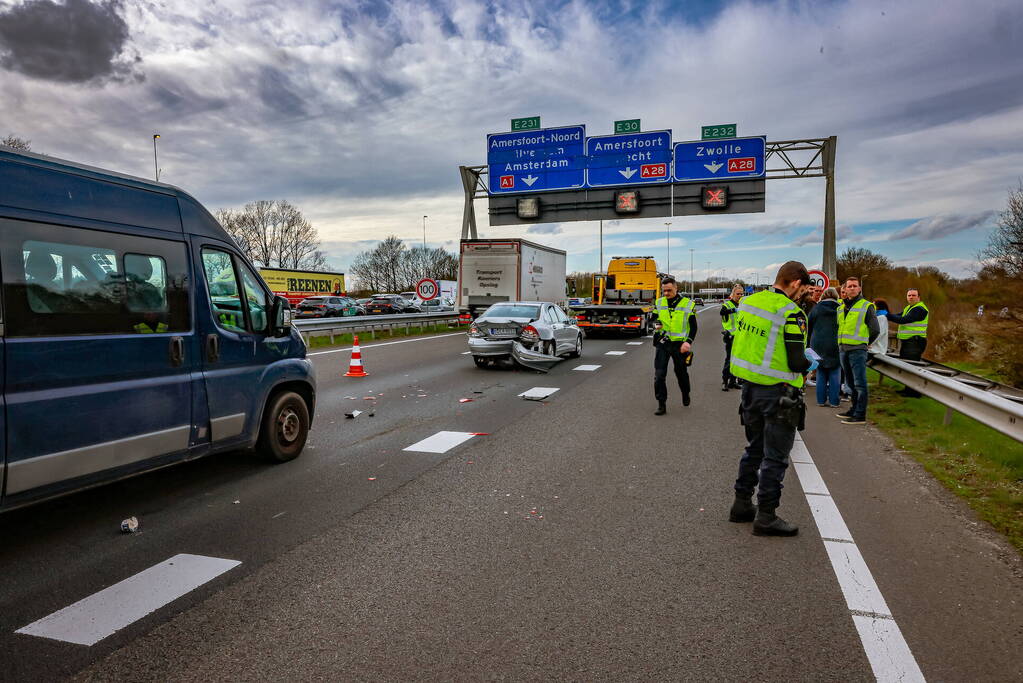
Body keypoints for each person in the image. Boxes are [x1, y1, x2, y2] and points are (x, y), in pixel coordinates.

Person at [728, 261, 813, 537]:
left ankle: (741, 504)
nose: (803, 295)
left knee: (753, 448)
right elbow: (797, 360)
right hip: (779, 394)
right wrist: (811, 362)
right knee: (775, 457)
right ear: (796, 283)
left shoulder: (749, 303)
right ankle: (766, 516)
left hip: (749, 390)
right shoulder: (791, 312)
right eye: (804, 289)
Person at [836, 277, 879, 424]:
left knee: (860, 383)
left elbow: (875, 329)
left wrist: (865, 343)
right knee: (851, 383)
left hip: (857, 350)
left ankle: (860, 415)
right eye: (849, 286)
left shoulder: (867, 306)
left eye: (855, 286)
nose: (852, 288)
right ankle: (853, 410)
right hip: (843, 349)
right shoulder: (841, 307)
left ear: (860, 289)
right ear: (845, 289)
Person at [652, 276, 697, 415]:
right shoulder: (659, 303)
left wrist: (687, 342)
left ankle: (685, 393)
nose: (666, 293)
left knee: (681, 373)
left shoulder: (688, 304)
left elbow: (694, 327)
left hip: (679, 345)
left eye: (669, 290)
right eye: (664, 291)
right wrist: (658, 328)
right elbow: (654, 320)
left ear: (676, 288)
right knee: (659, 375)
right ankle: (661, 404)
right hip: (663, 343)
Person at [885, 288, 929, 397]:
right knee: (907, 366)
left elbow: (903, 320)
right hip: (909, 342)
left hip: (915, 341)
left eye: (914, 295)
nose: (911, 297)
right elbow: (899, 316)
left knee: (912, 367)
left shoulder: (919, 309)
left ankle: (914, 392)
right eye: (909, 295)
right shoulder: (909, 308)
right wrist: (887, 315)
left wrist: (887, 315)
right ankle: (908, 390)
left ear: (919, 297)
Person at [808, 287, 842, 408]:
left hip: (817, 344)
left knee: (821, 372)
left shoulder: (816, 308)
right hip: (836, 344)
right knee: (835, 372)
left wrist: (808, 344)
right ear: (836, 296)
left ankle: (821, 401)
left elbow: (809, 326)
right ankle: (834, 401)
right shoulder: (841, 309)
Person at [719, 284, 744, 391]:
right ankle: (724, 381)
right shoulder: (728, 305)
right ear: (733, 294)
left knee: (738, 360)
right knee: (729, 360)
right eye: (738, 294)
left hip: (741, 336)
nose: (740, 295)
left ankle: (733, 382)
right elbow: (722, 312)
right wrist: (734, 310)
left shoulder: (742, 305)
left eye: (741, 294)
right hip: (730, 336)